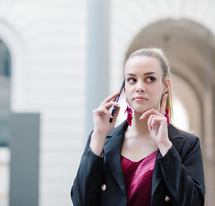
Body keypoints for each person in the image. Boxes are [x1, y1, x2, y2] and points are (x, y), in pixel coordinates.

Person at [71, 48, 205, 206]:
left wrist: (164, 146)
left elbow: (193, 203)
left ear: (165, 85)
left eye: (150, 79)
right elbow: (81, 201)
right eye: (132, 80)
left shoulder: (187, 144)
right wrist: (99, 136)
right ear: (124, 87)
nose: (139, 87)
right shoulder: (102, 141)